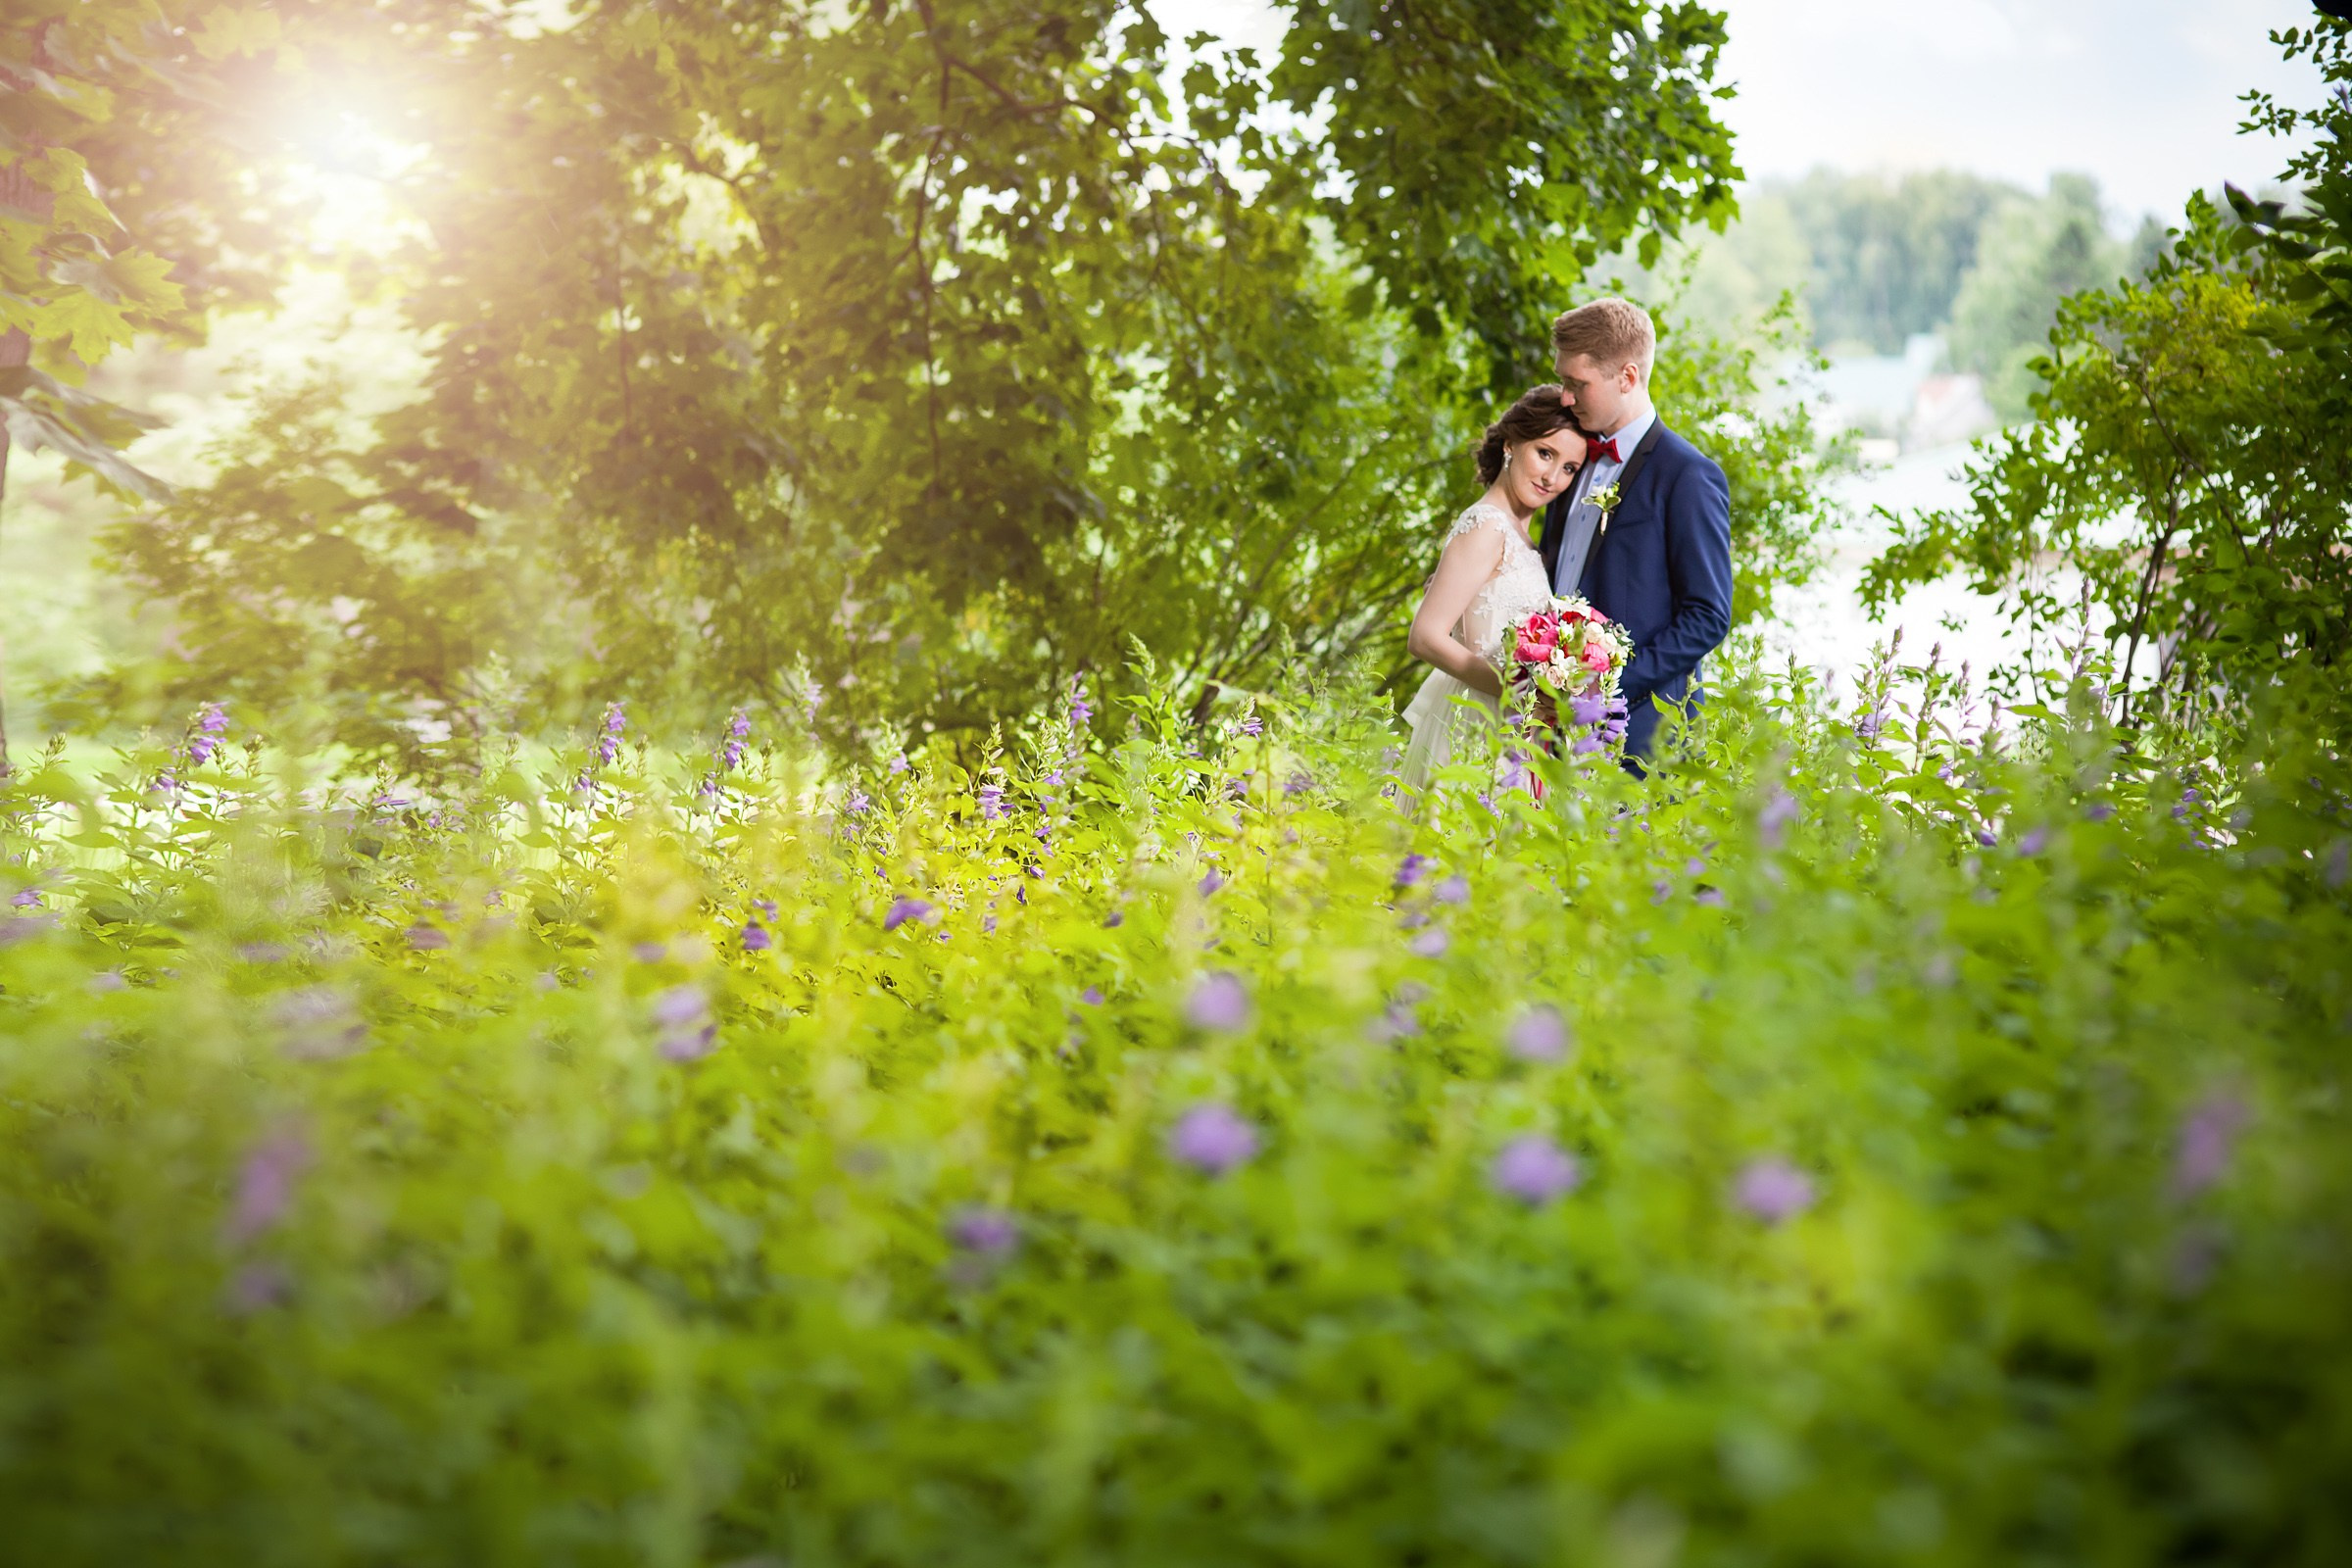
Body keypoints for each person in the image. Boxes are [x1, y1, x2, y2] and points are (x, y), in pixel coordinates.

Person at [1539, 299, 1733, 763]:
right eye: (1564, 381)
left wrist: (1607, 688)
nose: (1565, 397)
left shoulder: (1687, 475)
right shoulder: (1572, 456)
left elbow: (1708, 615)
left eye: (1576, 383)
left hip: (1640, 737)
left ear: (1627, 378)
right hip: (1546, 729)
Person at [1398, 386, 1587, 793]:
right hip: (1473, 724)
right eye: (1545, 453)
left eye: (1570, 468)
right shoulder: (1487, 523)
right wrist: (1522, 692)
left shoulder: (1525, 538)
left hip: (1513, 733)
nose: (1552, 478)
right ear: (1510, 444)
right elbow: (1425, 637)